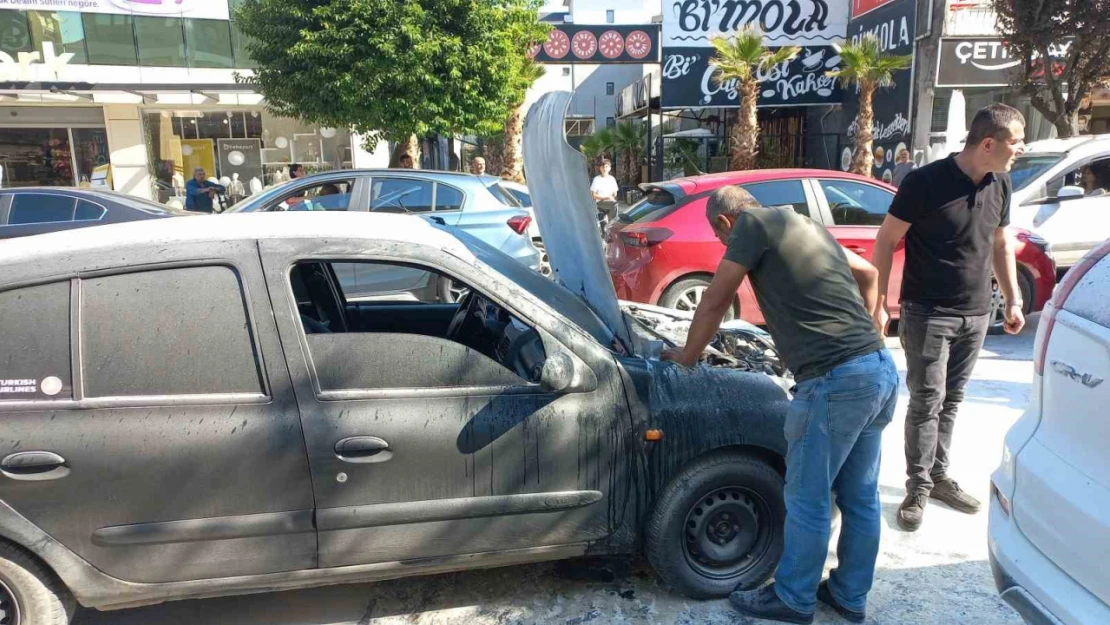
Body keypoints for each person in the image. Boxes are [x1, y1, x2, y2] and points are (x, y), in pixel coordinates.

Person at [664, 186, 899, 625]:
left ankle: (793, 598)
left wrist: (687, 355)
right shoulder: (805, 224)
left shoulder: (749, 225)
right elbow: (868, 273)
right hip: (877, 370)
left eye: (720, 240)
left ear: (723, 223)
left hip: (835, 381)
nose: (724, 246)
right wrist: (870, 329)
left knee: (807, 497)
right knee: (860, 496)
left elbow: (716, 298)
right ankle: (849, 596)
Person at [871, 103, 1026, 533]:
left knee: (952, 400)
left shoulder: (1002, 183)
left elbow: (999, 244)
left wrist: (1011, 299)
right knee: (926, 400)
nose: (1021, 148)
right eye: (1016, 140)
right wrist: (880, 304)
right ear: (989, 143)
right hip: (928, 312)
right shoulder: (924, 182)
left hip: (976, 312)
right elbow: (886, 241)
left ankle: (939, 478)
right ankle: (917, 487)